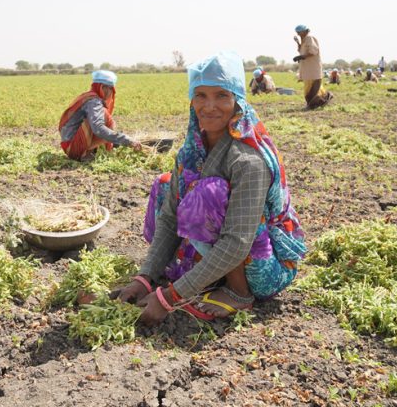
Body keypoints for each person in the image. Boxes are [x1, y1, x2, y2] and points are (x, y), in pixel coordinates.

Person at [113, 52, 306, 325]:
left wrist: (170, 297)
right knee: (167, 185)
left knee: (208, 194)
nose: (210, 106)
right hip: (231, 248)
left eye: (222, 96)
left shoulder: (248, 160)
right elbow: (168, 217)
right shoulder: (192, 150)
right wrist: (145, 278)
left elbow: (237, 242)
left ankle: (238, 292)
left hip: (265, 265)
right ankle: (206, 277)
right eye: (201, 95)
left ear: (238, 100)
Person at [58, 70, 141, 160]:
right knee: (105, 117)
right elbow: (98, 128)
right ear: (102, 87)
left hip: (69, 145)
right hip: (74, 148)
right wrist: (127, 140)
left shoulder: (88, 97)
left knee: (101, 118)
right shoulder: (94, 102)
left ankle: (95, 149)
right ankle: (86, 154)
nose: (110, 93)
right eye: (110, 89)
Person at [292, 25, 332, 109]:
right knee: (309, 87)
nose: (298, 34)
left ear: (305, 31)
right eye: (297, 33)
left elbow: (313, 51)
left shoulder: (309, 38)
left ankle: (312, 105)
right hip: (307, 68)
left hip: (313, 68)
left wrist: (301, 57)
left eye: (299, 32)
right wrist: (298, 43)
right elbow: (301, 51)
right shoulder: (304, 40)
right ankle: (323, 98)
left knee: (311, 88)